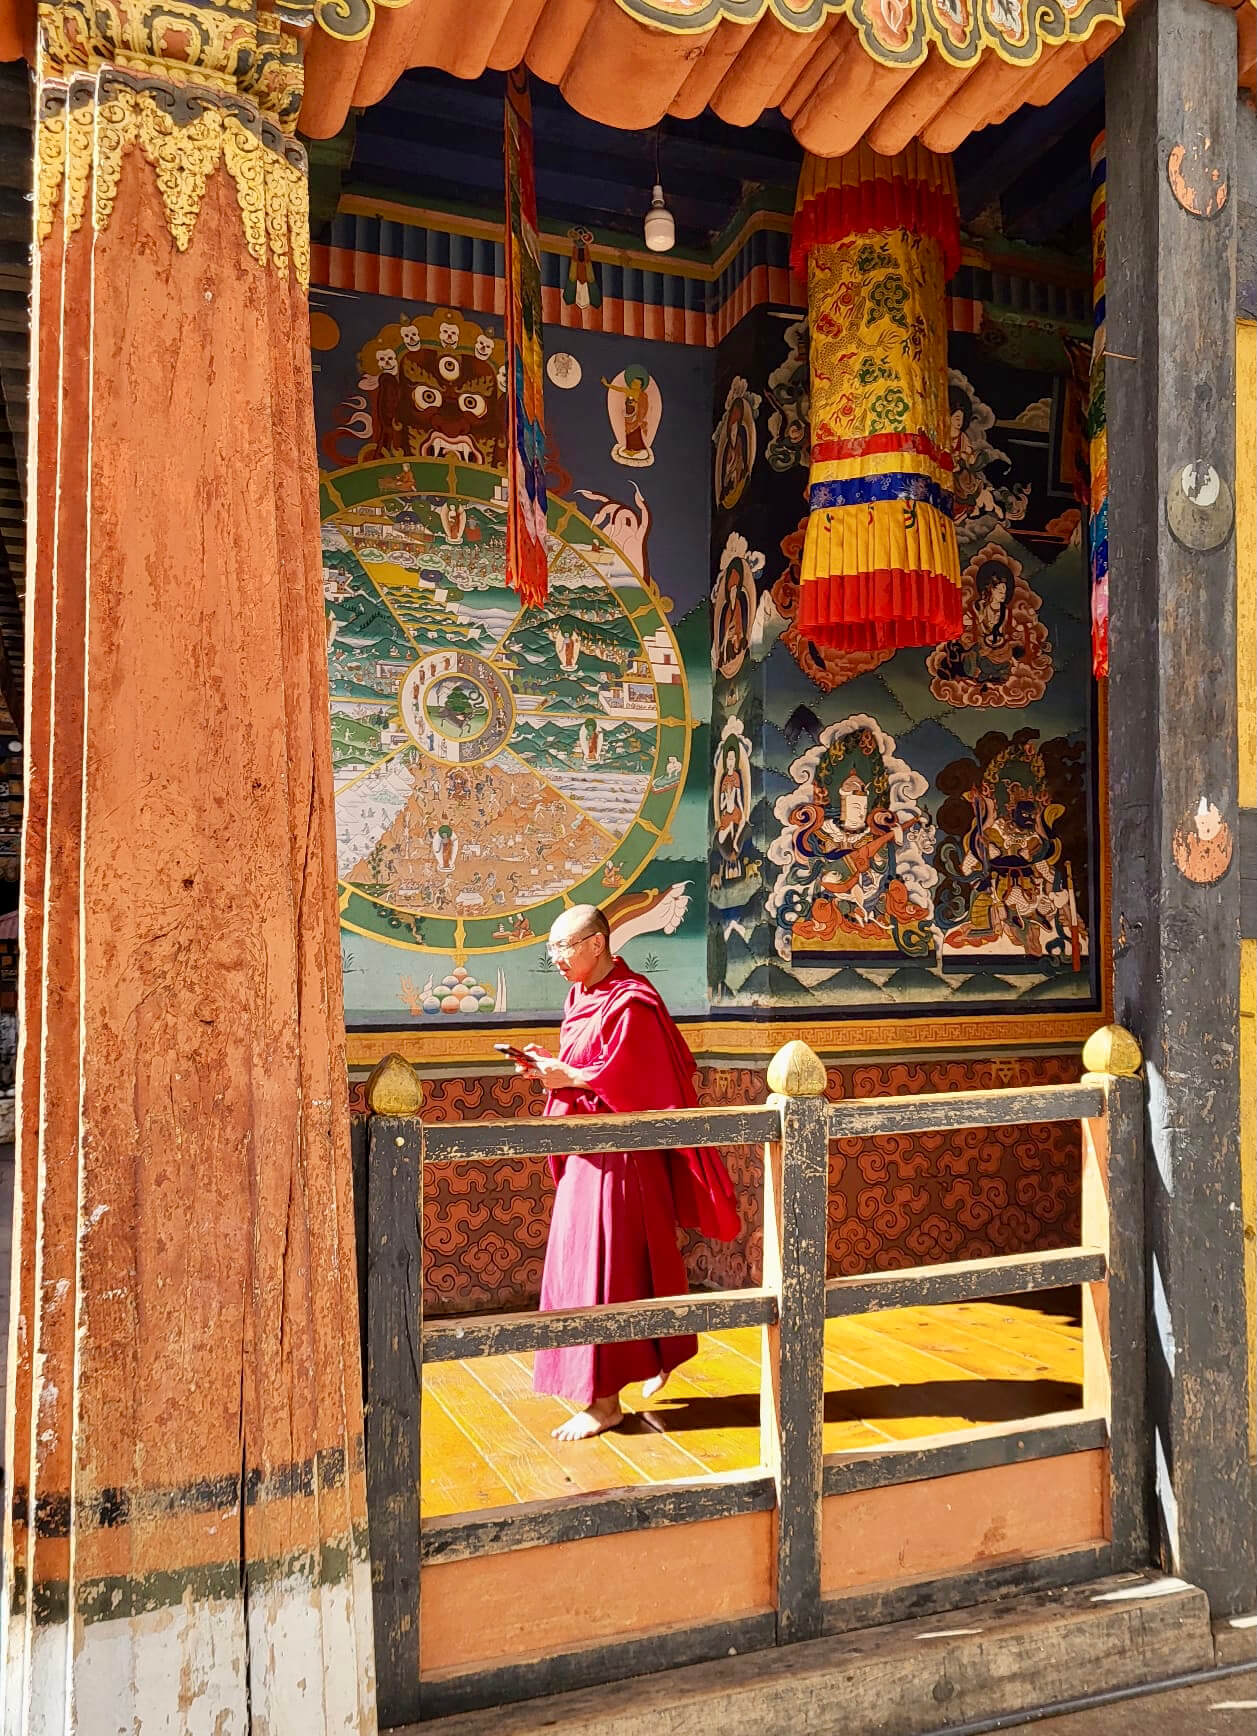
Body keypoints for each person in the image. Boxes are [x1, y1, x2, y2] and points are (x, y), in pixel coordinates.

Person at [519, 906, 740, 1440]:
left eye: (563, 947)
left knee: (609, 1273)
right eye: (551, 949)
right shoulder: (581, 996)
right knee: (592, 1268)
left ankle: (604, 1404)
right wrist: (551, 1069)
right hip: (585, 1151)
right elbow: (589, 1065)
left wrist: (570, 1076)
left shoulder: (632, 1000)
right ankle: (649, 1358)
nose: (555, 959)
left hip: (621, 1159)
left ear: (596, 944)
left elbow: (640, 1080)